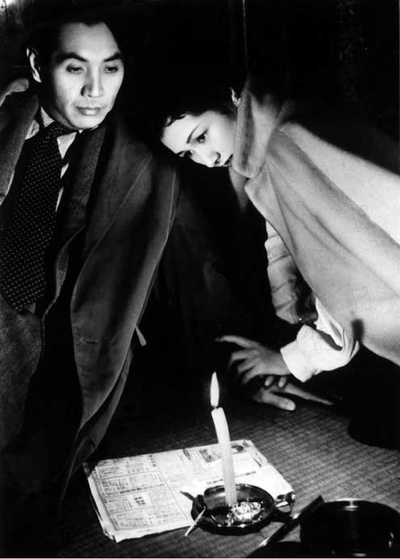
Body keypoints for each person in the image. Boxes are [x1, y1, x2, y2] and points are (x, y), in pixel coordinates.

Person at [0, 6, 181, 548]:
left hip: (67, 369)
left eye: (111, 68)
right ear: (38, 64)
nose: (95, 91)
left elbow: (197, 265)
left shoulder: (147, 156)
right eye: (75, 68)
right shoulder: (6, 117)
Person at [151, 66, 400, 409]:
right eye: (188, 154)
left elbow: (342, 272)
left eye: (202, 137)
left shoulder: (287, 144)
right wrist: (289, 327)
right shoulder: (281, 137)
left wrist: (291, 359)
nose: (206, 160)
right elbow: (286, 240)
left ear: (232, 96)